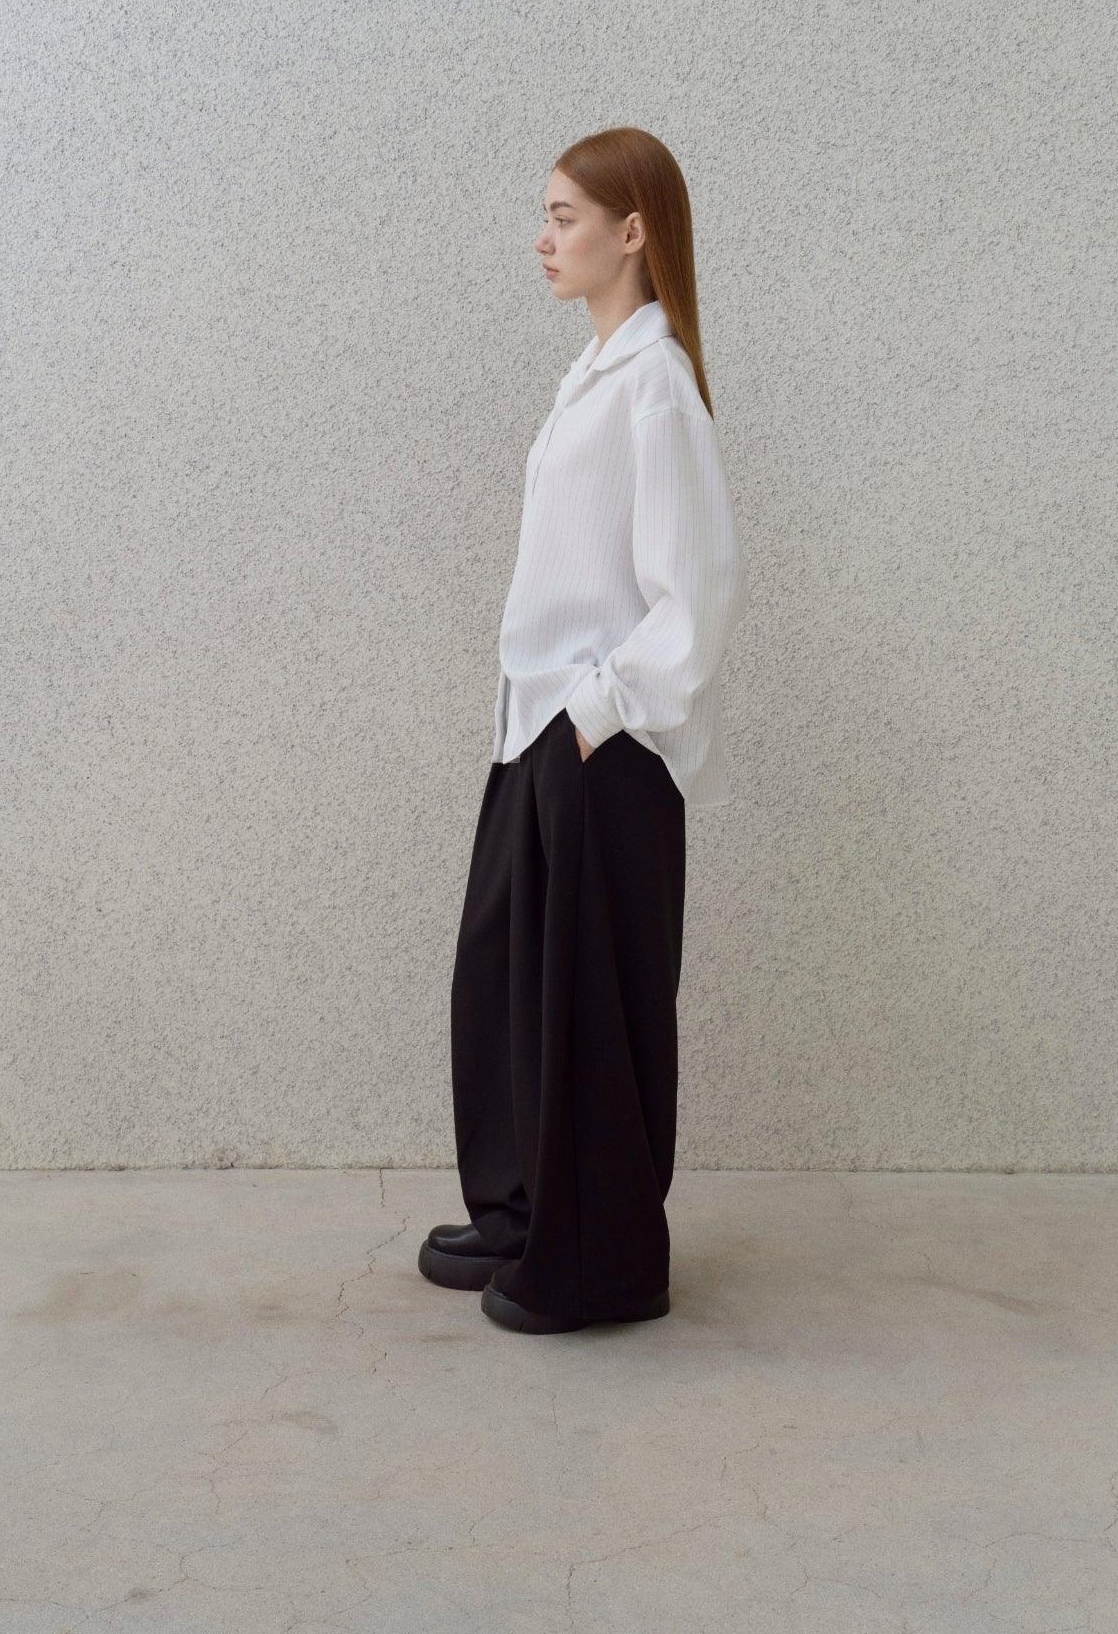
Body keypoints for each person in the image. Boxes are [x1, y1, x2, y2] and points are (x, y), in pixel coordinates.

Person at [418, 125, 750, 1333]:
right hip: (537, 724)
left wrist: (600, 716)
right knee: (504, 981)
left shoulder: (655, 388)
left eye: (564, 215)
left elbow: (698, 591)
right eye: (545, 214)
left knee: (589, 1008)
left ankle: (603, 1265)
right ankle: (520, 1211)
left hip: (599, 740)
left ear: (633, 231)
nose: (543, 238)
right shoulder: (594, 375)